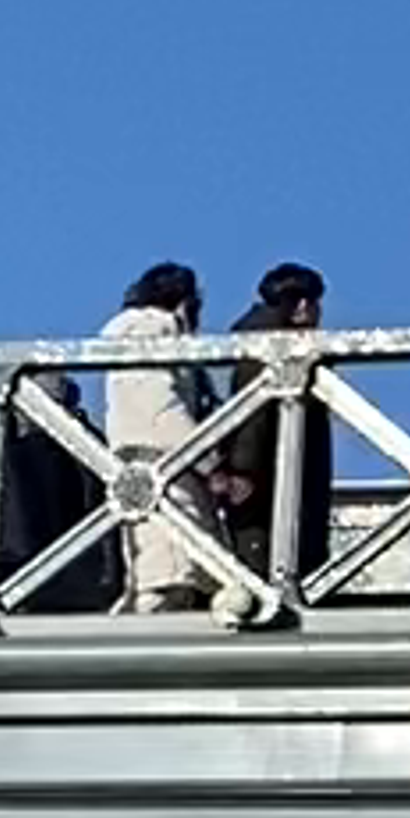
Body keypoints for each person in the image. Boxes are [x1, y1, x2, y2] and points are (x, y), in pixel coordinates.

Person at [99, 260, 225, 608]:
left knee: (166, 574)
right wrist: (209, 462)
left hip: (147, 470)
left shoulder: (134, 334)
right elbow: (160, 407)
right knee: (168, 576)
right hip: (165, 470)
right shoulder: (153, 331)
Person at [205, 263, 331, 598]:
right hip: (269, 498)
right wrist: (243, 474)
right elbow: (252, 420)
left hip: (271, 490)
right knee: (269, 581)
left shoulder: (257, 343)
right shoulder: (271, 350)